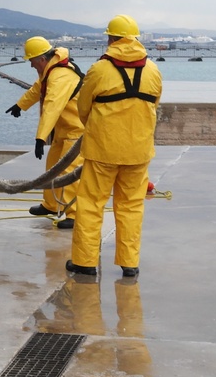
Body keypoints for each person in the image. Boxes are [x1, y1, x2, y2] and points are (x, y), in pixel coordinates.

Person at [66, 14, 162, 278]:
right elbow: (154, 105)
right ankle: (129, 263)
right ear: (136, 39)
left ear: (111, 38)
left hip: (102, 151)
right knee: (131, 206)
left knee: (91, 204)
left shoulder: (99, 69)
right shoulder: (153, 70)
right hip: (138, 151)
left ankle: (85, 262)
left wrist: (97, 128)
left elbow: (82, 107)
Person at [5, 36, 84, 229]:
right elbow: (37, 90)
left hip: (77, 132)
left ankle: (74, 214)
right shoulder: (50, 71)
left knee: (69, 173)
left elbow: (52, 106)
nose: (31, 66)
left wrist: (40, 137)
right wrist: (20, 105)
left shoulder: (60, 76)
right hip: (63, 131)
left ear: (41, 59)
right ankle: (51, 204)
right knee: (52, 168)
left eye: (32, 61)